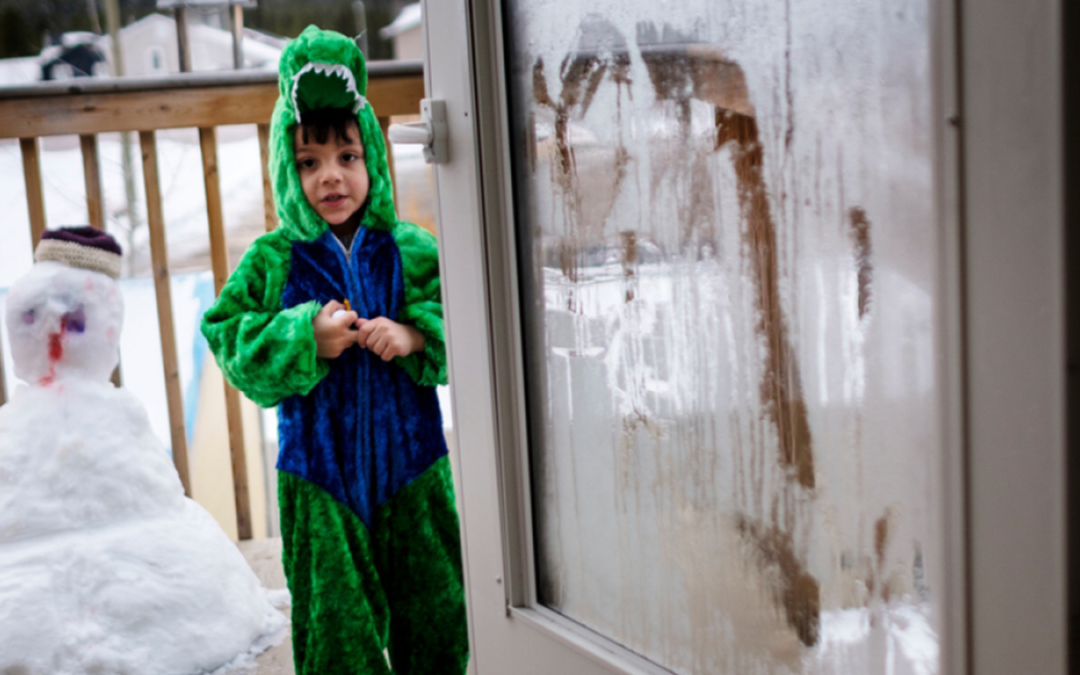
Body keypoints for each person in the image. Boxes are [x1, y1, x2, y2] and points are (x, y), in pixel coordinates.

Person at [201, 26, 468, 675]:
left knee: (435, 604)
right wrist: (302, 336)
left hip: (413, 465)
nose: (331, 176)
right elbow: (226, 333)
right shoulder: (273, 259)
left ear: (373, 156)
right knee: (334, 625)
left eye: (347, 156)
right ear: (285, 171)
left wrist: (413, 335)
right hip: (319, 478)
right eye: (308, 162)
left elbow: (466, 319)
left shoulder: (411, 247)